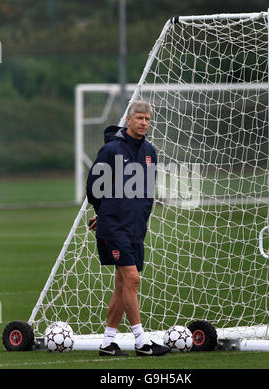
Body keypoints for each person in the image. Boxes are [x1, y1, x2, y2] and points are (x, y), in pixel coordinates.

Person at [86, 100, 169, 357]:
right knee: (132, 279)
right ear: (129, 120)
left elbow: (145, 192)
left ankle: (107, 343)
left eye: (147, 119)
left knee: (123, 285)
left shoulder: (150, 152)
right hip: (115, 228)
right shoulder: (111, 150)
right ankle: (142, 342)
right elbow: (94, 188)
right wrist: (105, 214)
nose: (144, 122)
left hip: (136, 228)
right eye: (139, 118)